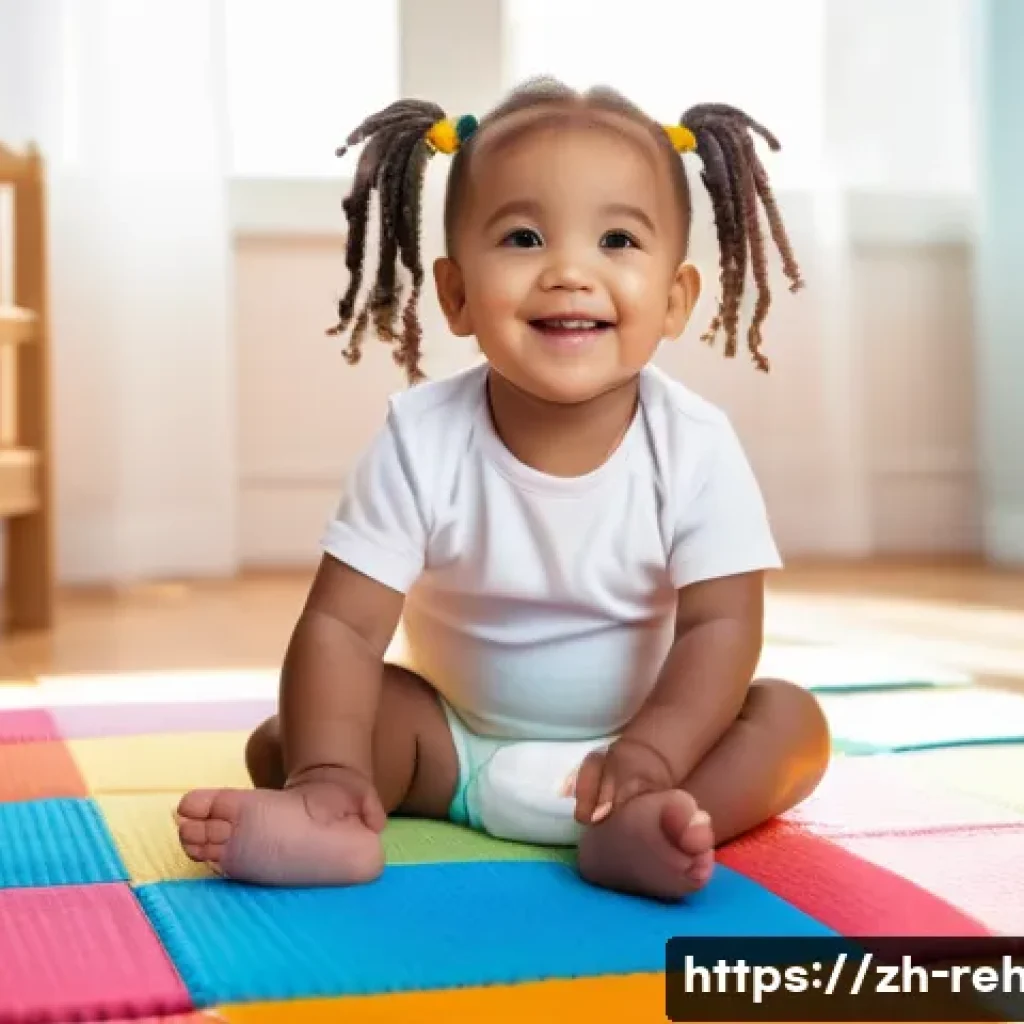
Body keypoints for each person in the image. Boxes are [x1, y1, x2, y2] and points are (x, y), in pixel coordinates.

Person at [175, 76, 831, 902]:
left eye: (618, 241)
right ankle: (333, 815)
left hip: (650, 750)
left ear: (675, 299)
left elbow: (721, 628)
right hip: (451, 746)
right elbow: (342, 625)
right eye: (523, 237)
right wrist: (329, 767)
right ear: (454, 296)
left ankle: (647, 825)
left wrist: (652, 756)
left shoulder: (695, 445)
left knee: (789, 723)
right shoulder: (421, 437)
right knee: (289, 739)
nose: (567, 272)